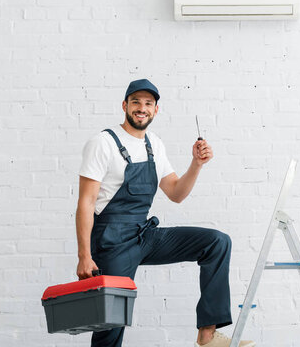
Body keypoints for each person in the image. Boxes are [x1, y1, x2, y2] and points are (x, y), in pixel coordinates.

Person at [75, 79, 255, 347]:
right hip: (111, 241)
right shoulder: (103, 143)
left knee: (217, 242)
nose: (142, 108)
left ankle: (207, 335)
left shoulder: (154, 145)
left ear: (155, 110)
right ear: (125, 105)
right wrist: (84, 256)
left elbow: (176, 193)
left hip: (143, 234)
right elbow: (85, 203)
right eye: (136, 102)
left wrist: (196, 164)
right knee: (111, 324)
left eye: (149, 103)